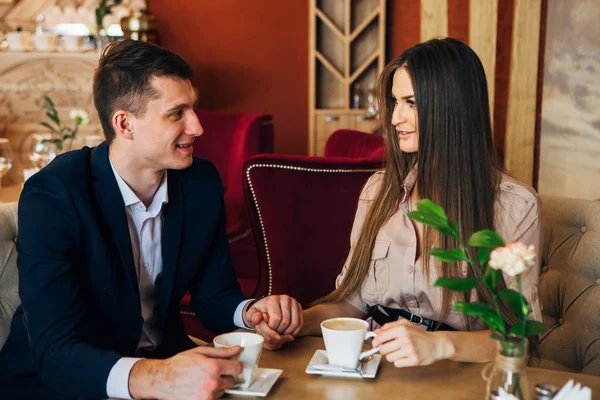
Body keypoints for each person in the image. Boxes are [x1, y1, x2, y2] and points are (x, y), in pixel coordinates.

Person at [0, 39, 303, 400]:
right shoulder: (54, 194)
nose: (197, 127)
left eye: (194, 109)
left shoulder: (199, 182)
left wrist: (250, 312)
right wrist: (161, 377)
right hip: (65, 386)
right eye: (177, 114)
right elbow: (56, 353)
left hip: (165, 365)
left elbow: (214, 296)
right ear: (125, 123)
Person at [299, 38, 542, 367]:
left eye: (411, 102)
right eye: (395, 101)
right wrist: (295, 322)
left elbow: (519, 340)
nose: (395, 118)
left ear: (452, 108)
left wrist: (440, 345)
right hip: (371, 366)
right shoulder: (377, 191)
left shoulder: (513, 205)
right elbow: (351, 305)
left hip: (457, 375)